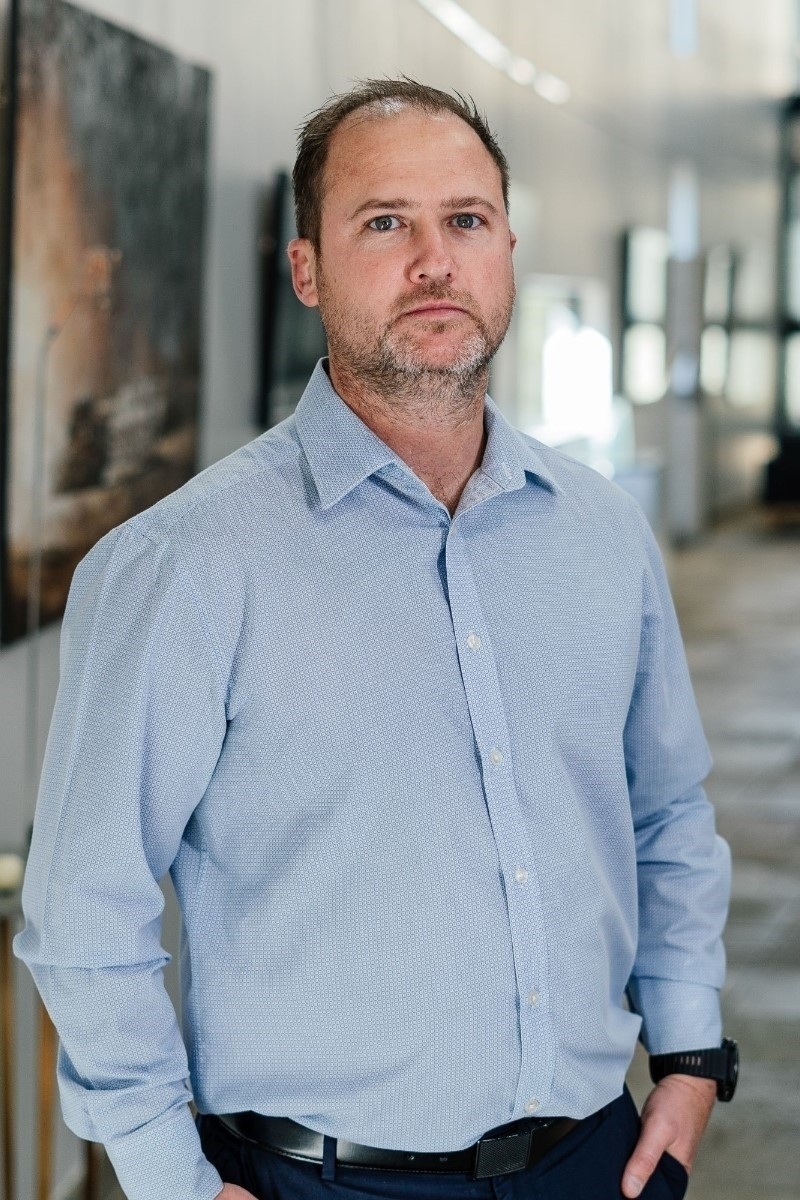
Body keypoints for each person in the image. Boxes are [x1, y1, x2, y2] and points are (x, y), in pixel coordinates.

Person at [16, 79, 735, 1200]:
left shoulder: (601, 532)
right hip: (321, 1180)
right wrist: (165, 1176)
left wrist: (689, 1054)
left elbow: (664, 811)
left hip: (594, 1159)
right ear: (306, 269)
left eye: (466, 220)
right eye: (385, 222)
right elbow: (83, 908)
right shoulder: (183, 563)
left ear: (506, 249)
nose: (434, 261)